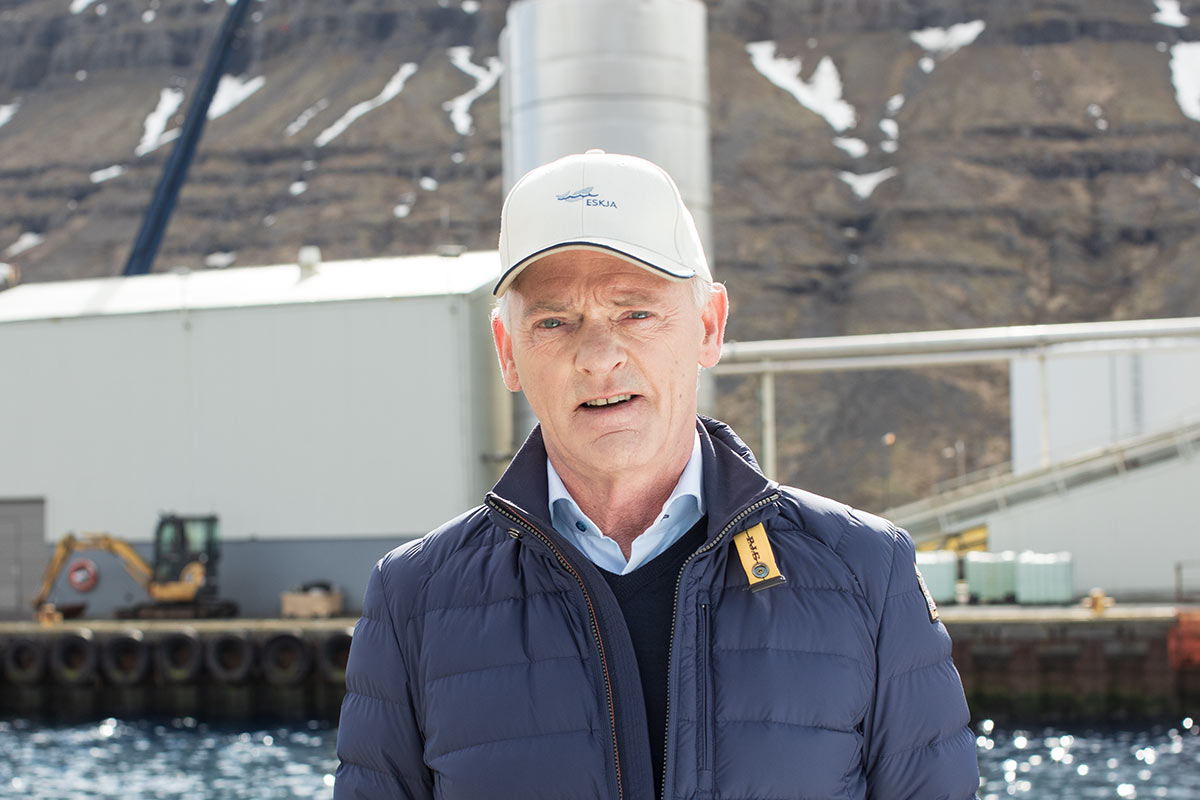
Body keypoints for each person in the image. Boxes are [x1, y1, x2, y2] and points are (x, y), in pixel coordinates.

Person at [334, 150, 980, 799]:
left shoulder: (868, 574)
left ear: (708, 326)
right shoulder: (413, 600)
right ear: (508, 353)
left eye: (635, 312)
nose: (599, 357)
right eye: (554, 321)